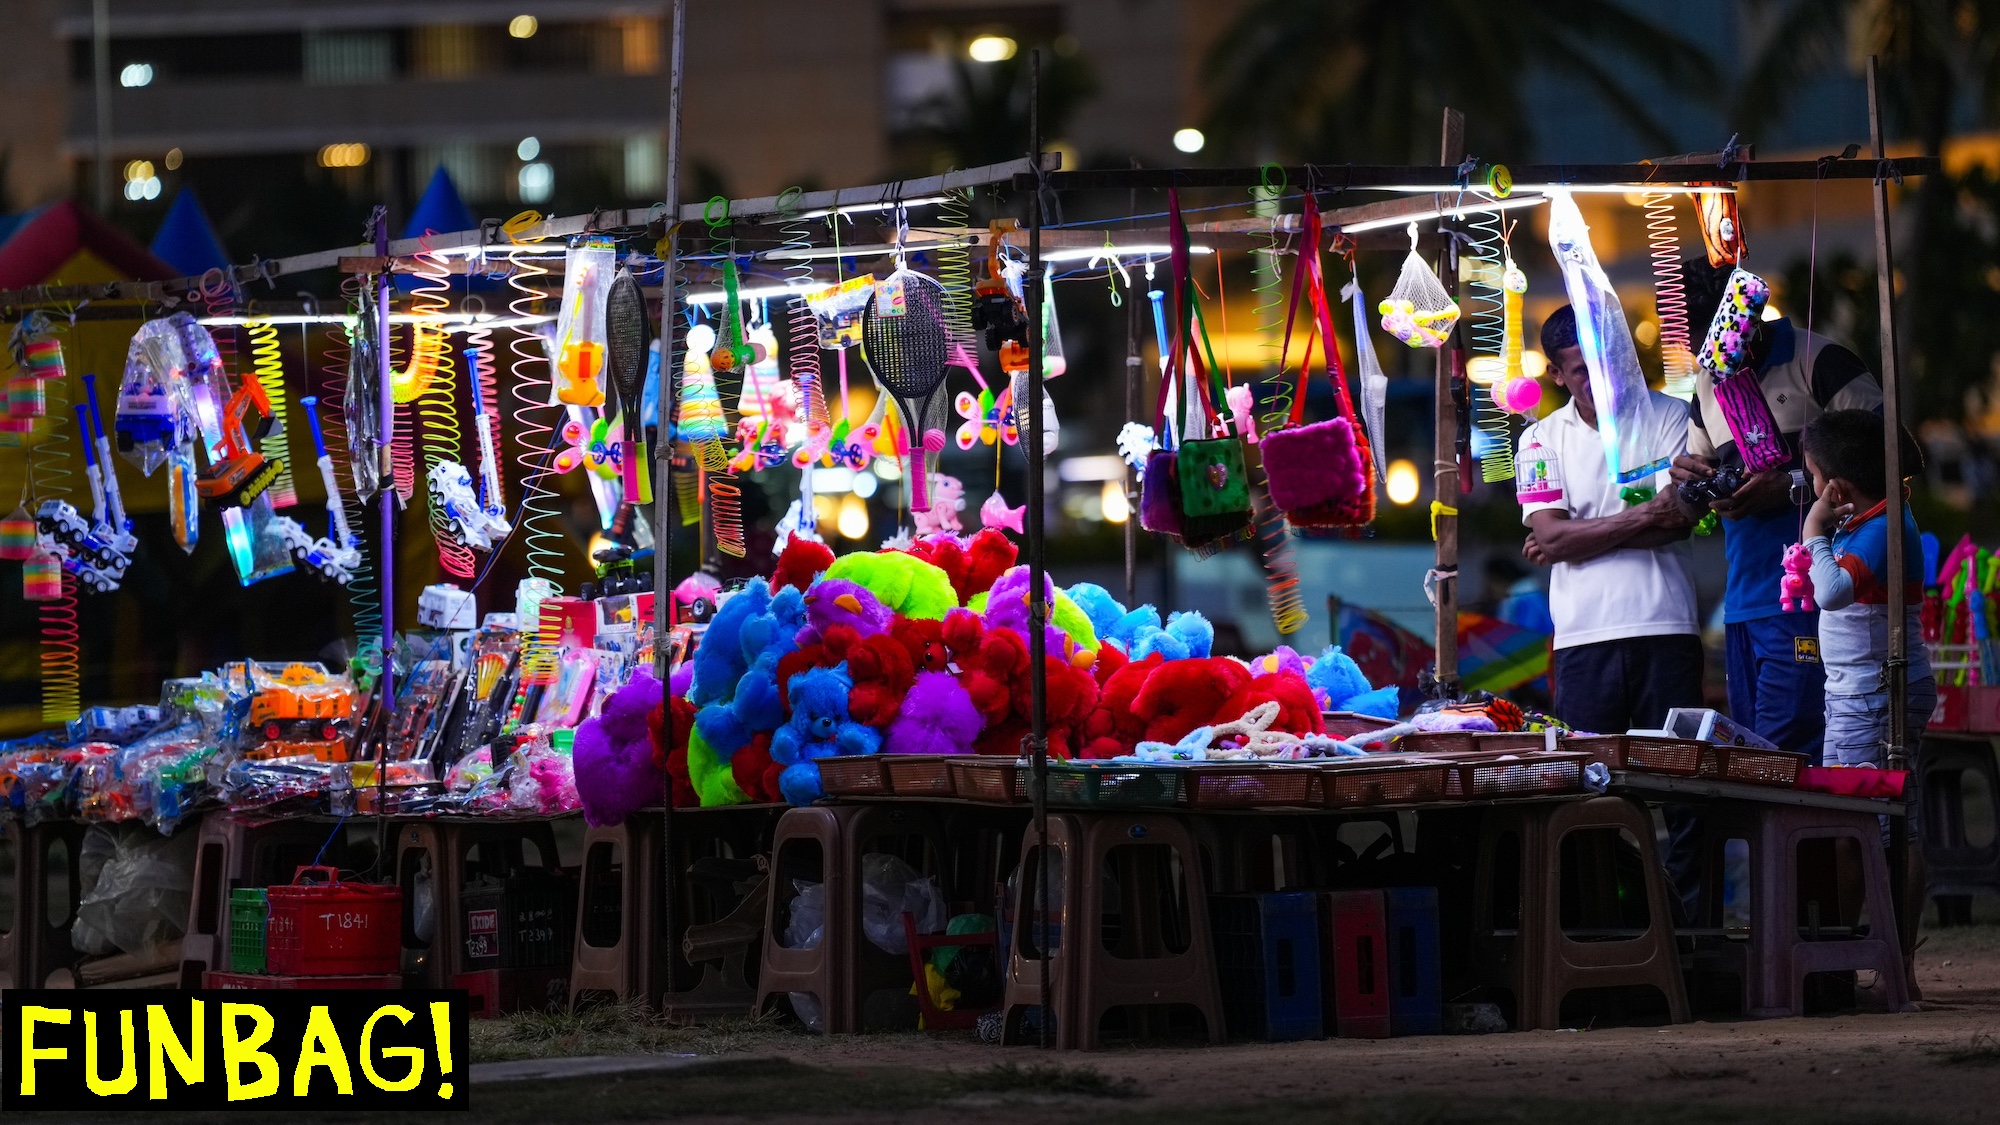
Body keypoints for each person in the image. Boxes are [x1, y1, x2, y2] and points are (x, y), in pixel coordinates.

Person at [1672, 259, 1885, 763]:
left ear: (1746, 313)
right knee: (1753, 755)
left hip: (1816, 597)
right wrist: (1693, 488)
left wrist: (1791, 488)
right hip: (1743, 604)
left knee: (1785, 753)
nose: (1709, 354)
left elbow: (1886, 461)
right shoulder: (1707, 384)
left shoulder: (1819, 360)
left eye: (1715, 336)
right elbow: (1691, 501)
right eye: (1697, 340)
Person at [1517, 306, 1702, 736]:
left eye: (1605, 363)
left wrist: (1571, 538)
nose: (1598, 378)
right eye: (1582, 370)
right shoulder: (1539, 439)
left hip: (1667, 624)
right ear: (1556, 374)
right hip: (1582, 635)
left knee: (1682, 781)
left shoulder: (1670, 414)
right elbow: (1553, 537)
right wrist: (1646, 512)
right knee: (1591, 781)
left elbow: (1678, 519)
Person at [1800, 410, 1934, 823]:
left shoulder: (1884, 526)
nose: (1811, 486)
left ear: (1837, 487)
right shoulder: (1861, 522)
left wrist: (1812, 534)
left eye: (1813, 476)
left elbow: (1833, 592)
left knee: (1885, 830)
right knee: (1846, 820)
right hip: (1852, 695)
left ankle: (1890, 891)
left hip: (1876, 697)